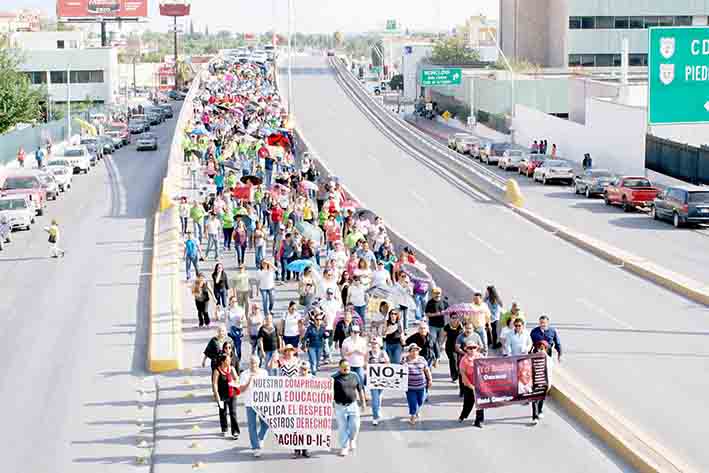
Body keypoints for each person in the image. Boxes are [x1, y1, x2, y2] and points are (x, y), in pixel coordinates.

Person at [332, 359, 366, 457]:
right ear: (339, 367)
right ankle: (344, 447)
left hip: (353, 405)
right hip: (339, 406)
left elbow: (360, 390)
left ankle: (352, 439)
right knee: (342, 427)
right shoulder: (334, 378)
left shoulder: (354, 375)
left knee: (355, 426)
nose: (346, 369)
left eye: (348, 367)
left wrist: (363, 402)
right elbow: (327, 392)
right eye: (344, 367)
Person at [238, 355, 269, 456]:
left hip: (262, 403)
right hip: (250, 403)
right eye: (251, 362)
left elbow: (268, 387)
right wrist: (249, 381)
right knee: (252, 426)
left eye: (255, 363)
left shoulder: (264, 373)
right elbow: (241, 390)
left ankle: (260, 438)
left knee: (266, 423)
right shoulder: (244, 374)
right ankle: (256, 447)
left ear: (258, 363)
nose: (253, 365)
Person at [211, 351, 240, 439]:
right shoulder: (217, 371)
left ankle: (235, 432)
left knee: (233, 413)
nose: (230, 361)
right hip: (222, 396)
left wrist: (234, 382)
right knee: (223, 412)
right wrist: (217, 396)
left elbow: (237, 379)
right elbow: (214, 384)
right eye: (228, 360)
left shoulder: (232, 369)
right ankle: (224, 428)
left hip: (232, 394)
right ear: (223, 361)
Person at [402, 344, 432, 425]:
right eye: (413, 350)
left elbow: (426, 370)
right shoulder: (405, 360)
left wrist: (430, 380)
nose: (415, 352)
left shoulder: (422, 359)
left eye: (416, 350)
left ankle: (416, 410)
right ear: (409, 352)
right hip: (410, 386)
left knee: (421, 400)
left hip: (421, 385)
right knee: (412, 402)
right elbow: (399, 370)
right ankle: (412, 415)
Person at [458, 340, 485, 428]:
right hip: (468, 384)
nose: (472, 349)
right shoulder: (464, 360)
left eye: (474, 347)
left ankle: (479, 421)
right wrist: (471, 386)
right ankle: (463, 415)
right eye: (470, 348)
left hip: (480, 384)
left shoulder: (480, 356)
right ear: (466, 349)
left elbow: (487, 368)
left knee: (480, 403)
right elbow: (463, 375)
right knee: (468, 403)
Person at [367, 338, 390, 425]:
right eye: (372, 344)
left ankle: (378, 409)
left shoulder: (383, 353)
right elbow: (365, 365)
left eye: (375, 344)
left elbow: (388, 363)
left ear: (379, 345)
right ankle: (375, 416)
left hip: (382, 379)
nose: (374, 345)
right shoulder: (369, 353)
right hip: (372, 380)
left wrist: (383, 363)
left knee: (379, 396)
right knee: (375, 398)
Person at [424, 287, 448, 366]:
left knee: (439, 343)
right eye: (436, 293)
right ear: (433, 294)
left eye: (439, 293)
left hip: (441, 325)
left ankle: (436, 357)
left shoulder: (444, 302)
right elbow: (427, 313)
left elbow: (449, 311)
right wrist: (435, 314)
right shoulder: (430, 303)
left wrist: (444, 312)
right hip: (432, 325)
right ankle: (436, 358)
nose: (437, 295)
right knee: (433, 342)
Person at [442, 315, 463, 383]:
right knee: (453, 361)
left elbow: (464, 334)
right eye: (453, 318)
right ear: (450, 319)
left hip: (459, 347)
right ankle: (454, 377)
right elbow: (444, 336)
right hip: (450, 347)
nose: (454, 319)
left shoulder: (460, 326)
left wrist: (462, 326)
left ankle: (459, 374)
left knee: (459, 361)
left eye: (456, 317)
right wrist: (441, 345)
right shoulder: (447, 326)